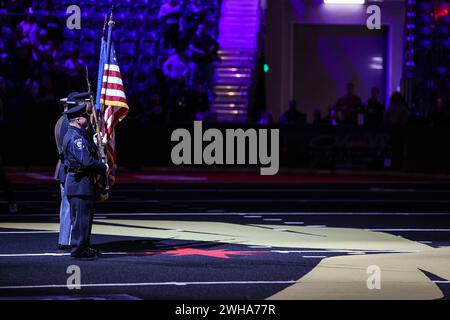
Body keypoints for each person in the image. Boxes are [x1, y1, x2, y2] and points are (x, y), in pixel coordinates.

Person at [62, 102, 108, 259]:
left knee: (85, 219)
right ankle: (78, 249)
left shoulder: (78, 135)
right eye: (85, 116)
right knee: (81, 220)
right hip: (79, 183)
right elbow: (87, 162)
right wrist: (103, 167)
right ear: (78, 120)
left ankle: (84, 246)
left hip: (81, 183)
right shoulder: (76, 138)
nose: (88, 118)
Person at [54, 92, 89, 252]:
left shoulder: (61, 121)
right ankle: (67, 241)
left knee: (67, 207)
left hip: (64, 166)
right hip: (69, 167)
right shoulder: (67, 123)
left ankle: (65, 239)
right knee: (70, 207)